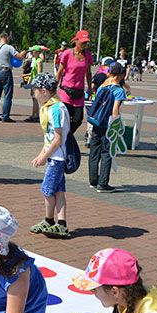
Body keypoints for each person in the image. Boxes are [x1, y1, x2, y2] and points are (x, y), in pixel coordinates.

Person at [28, 73, 70, 238]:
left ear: (44, 91)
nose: (34, 93)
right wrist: (42, 153)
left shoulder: (56, 109)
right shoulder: (50, 107)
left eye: (35, 90)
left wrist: (44, 157)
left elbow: (58, 138)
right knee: (58, 191)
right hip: (55, 155)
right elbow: (49, 138)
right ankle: (61, 224)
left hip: (57, 158)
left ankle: (49, 220)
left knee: (47, 190)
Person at [87, 62, 128, 192]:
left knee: (94, 151)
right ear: (121, 75)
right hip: (108, 125)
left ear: (109, 73)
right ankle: (103, 183)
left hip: (96, 122)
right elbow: (115, 110)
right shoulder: (119, 90)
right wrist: (117, 124)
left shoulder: (102, 86)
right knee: (106, 153)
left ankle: (93, 180)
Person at [54, 30, 94, 134]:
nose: (84, 45)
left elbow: (88, 73)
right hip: (66, 91)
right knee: (66, 118)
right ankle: (62, 140)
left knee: (78, 119)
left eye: (86, 43)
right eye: (82, 42)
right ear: (76, 40)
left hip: (79, 92)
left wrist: (90, 88)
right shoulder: (67, 53)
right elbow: (60, 72)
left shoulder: (88, 55)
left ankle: (66, 137)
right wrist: (54, 87)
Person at [0, 32, 25, 122]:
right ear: (6, 38)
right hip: (5, 71)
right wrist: (23, 53)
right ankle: (5, 116)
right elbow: (19, 57)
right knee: (8, 94)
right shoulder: (9, 47)